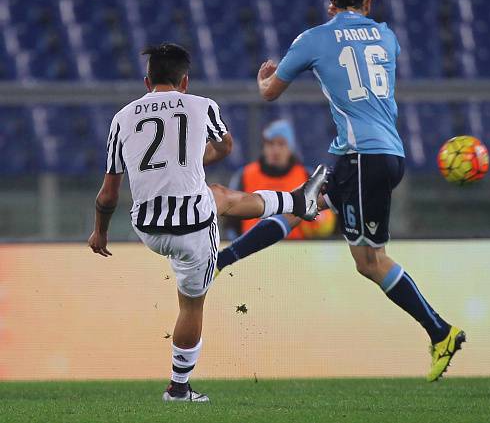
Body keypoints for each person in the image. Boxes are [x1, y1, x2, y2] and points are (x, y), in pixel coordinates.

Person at [228, 0, 465, 381]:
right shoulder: (387, 36)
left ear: (332, 2)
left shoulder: (314, 39)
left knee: (370, 261)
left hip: (361, 158)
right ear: (369, 2)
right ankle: (224, 258)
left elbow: (269, 93)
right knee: (302, 201)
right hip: (377, 154)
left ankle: (441, 331)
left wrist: (263, 77)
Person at [87, 43, 327, 402]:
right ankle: (179, 388)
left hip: (148, 228)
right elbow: (226, 146)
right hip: (193, 229)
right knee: (191, 303)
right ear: (185, 81)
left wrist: (99, 232)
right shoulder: (202, 106)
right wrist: (192, 160)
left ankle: (297, 201)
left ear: (146, 81)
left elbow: (108, 194)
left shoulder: (122, 118)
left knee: (214, 193)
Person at [217, 119, 335, 273]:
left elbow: (323, 220)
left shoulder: (307, 176)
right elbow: (230, 223)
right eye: (270, 144)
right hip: (249, 259)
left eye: (281, 144)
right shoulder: (244, 176)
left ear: (291, 147)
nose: (275, 150)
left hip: (298, 259)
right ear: (264, 147)